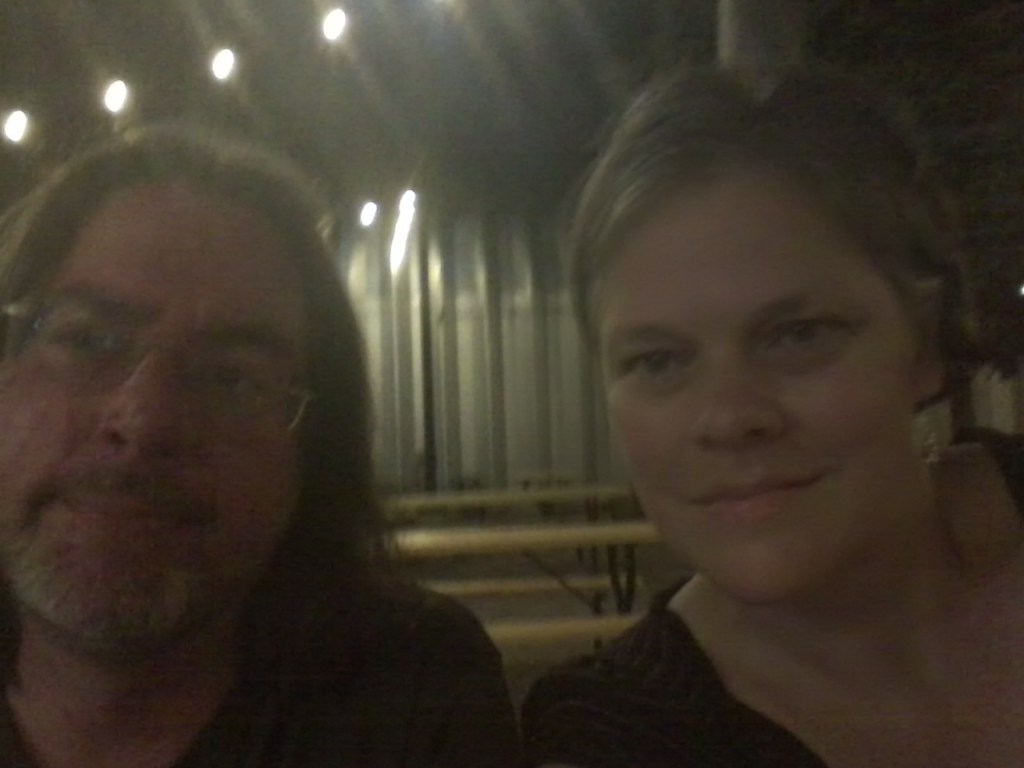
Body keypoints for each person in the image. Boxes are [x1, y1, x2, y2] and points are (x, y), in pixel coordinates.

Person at [522, 65, 1024, 767]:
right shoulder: (613, 737)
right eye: (658, 361)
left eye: (799, 335)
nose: (730, 418)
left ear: (925, 345)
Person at [0, 127, 522, 767]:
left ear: (313, 452)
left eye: (231, 378)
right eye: (86, 340)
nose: (145, 419)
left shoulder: (412, 694)